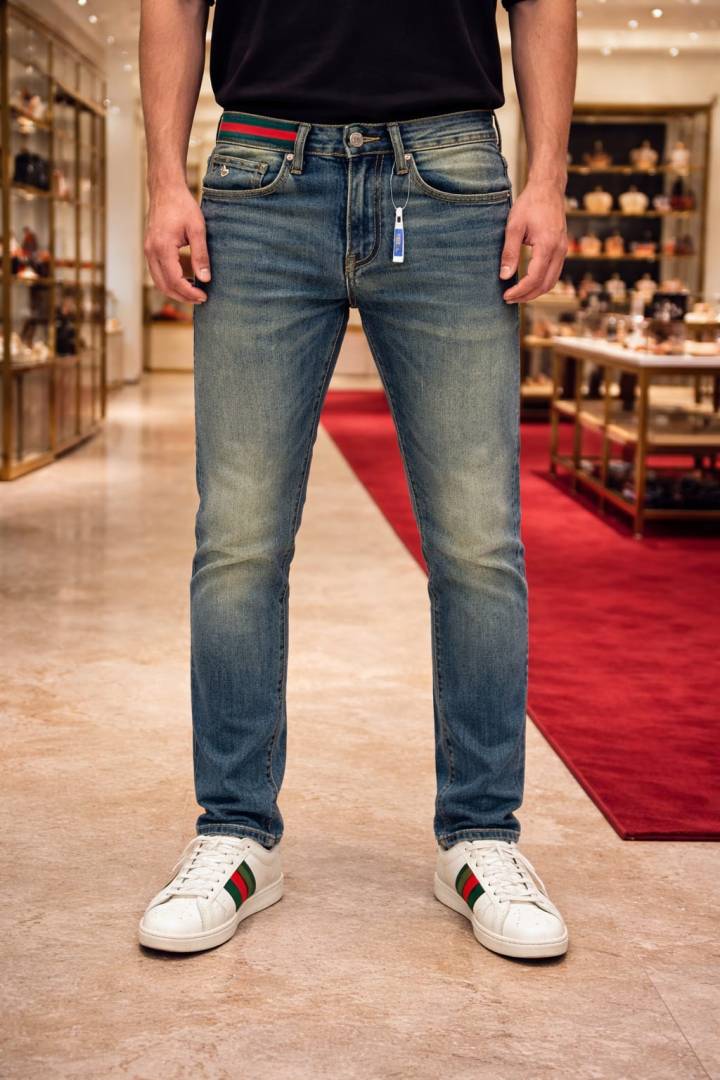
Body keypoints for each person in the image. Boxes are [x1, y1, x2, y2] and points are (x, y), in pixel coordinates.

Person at [138, 0, 576, 959]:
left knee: (477, 542)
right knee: (239, 539)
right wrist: (164, 177)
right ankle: (236, 832)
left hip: (451, 172)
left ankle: (482, 837)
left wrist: (548, 178)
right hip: (260, 168)